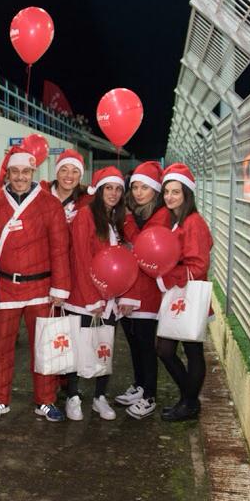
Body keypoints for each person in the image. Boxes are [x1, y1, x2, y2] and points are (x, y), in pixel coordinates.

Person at [0, 145, 72, 422]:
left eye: (25, 171)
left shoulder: (49, 204)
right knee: (0, 347)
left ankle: (46, 400)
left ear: (33, 172)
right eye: (15, 171)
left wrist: (60, 288)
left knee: (43, 346)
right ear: (8, 173)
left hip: (40, 288)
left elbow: (59, 249)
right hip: (5, 286)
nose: (20, 177)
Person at [62, 167, 139, 421]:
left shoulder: (116, 218)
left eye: (118, 189)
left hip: (109, 299)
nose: (114, 193)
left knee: (103, 347)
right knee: (78, 348)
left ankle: (99, 397)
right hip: (85, 297)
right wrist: (91, 297)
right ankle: (73, 397)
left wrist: (117, 295)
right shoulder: (85, 215)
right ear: (99, 191)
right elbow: (81, 259)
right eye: (109, 188)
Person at [156, 164, 213, 422]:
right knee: (170, 349)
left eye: (175, 192)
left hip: (189, 296)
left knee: (185, 350)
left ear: (186, 194)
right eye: (167, 191)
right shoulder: (178, 220)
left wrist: (170, 275)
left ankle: (189, 402)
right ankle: (188, 400)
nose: (169, 196)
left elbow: (199, 265)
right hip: (180, 294)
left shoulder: (193, 222)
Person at [116, 162, 170, 419]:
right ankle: (139, 385)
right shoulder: (136, 211)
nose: (138, 192)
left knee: (146, 345)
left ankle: (150, 394)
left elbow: (142, 245)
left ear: (155, 191)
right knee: (134, 344)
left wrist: (127, 222)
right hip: (128, 286)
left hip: (147, 291)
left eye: (144, 188)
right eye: (135, 187)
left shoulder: (160, 215)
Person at [41, 149, 91, 223]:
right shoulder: (40, 194)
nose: (69, 175)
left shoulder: (87, 200)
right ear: (57, 173)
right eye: (64, 170)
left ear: (80, 176)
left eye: (75, 171)